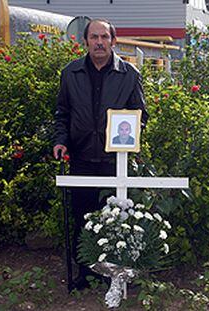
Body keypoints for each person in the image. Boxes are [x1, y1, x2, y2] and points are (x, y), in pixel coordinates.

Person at [53, 19, 148, 290]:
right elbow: (62, 113)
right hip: (81, 156)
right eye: (94, 37)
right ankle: (85, 272)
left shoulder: (129, 74)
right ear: (85, 41)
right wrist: (61, 141)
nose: (99, 42)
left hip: (114, 160)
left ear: (113, 41)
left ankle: (114, 274)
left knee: (115, 219)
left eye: (104, 37)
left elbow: (141, 115)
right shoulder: (70, 73)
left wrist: (129, 137)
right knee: (83, 217)